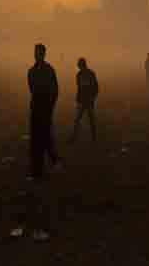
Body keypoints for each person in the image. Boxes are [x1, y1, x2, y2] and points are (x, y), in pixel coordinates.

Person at [27, 43, 61, 179]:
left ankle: (44, 167)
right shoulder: (32, 71)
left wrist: (49, 107)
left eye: (39, 53)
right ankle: (41, 169)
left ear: (43, 54)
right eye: (36, 52)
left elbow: (54, 91)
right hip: (36, 109)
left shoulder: (48, 70)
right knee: (38, 140)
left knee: (44, 138)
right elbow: (33, 90)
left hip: (44, 109)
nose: (37, 55)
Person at [69, 57, 99, 144]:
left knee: (83, 120)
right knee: (86, 120)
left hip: (86, 101)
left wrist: (91, 98)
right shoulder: (81, 75)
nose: (79, 67)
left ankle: (75, 138)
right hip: (84, 101)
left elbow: (95, 88)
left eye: (79, 65)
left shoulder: (85, 74)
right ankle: (92, 138)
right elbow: (81, 89)